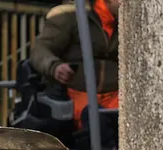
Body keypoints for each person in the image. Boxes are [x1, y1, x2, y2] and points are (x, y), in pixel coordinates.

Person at [28, 0, 120, 130]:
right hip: (77, 93)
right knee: (96, 120)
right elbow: (40, 50)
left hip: (116, 96)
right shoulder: (69, 16)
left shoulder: (127, 22)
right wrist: (55, 66)